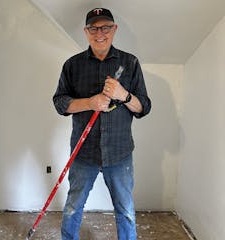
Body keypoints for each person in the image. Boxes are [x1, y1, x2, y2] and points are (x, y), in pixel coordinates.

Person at [53, 8, 151, 240]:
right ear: (86, 32)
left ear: (114, 29)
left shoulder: (130, 63)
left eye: (106, 27)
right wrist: (90, 102)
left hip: (119, 154)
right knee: (73, 207)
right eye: (94, 28)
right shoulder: (72, 65)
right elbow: (60, 103)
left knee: (125, 211)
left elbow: (144, 107)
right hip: (83, 152)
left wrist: (124, 94)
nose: (100, 33)